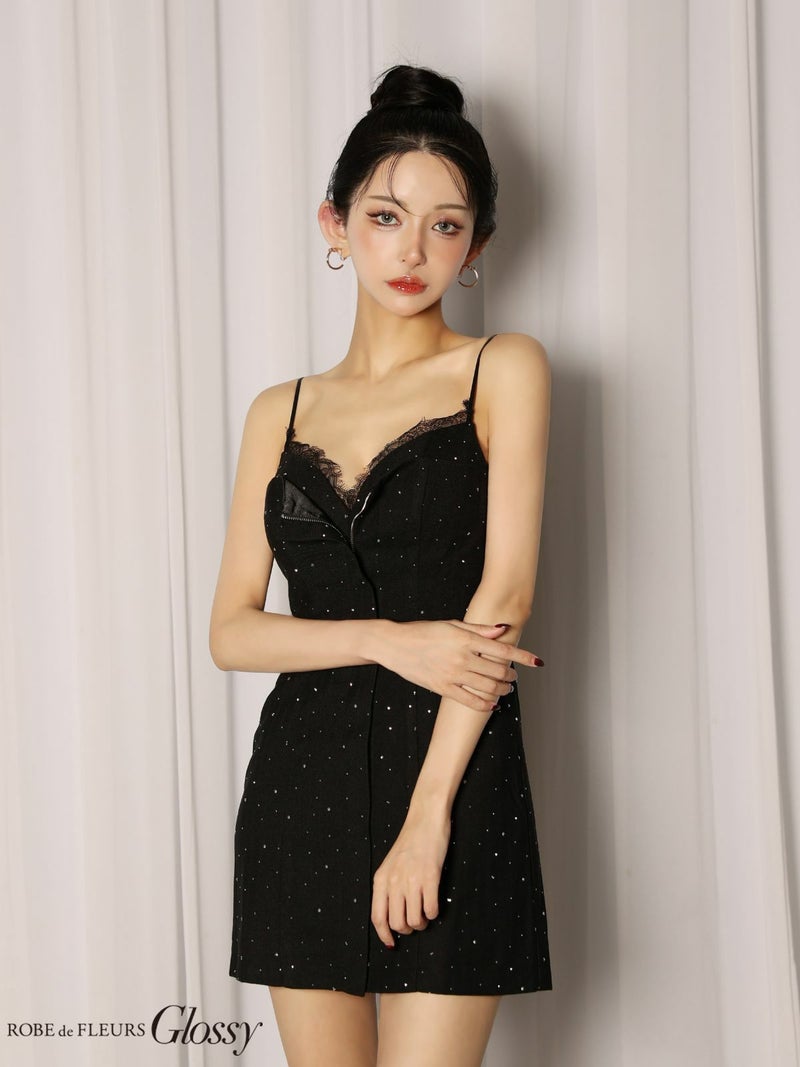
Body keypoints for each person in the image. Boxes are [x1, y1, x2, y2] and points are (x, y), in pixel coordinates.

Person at [209, 63, 552, 1067]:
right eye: (385, 217)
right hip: (297, 786)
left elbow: (506, 595)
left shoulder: (503, 368)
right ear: (335, 223)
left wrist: (428, 816)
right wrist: (390, 640)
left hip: (453, 773)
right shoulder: (278, 411)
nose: (412, 251)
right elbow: (232, 630)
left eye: (445, 225)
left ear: (476, 244)